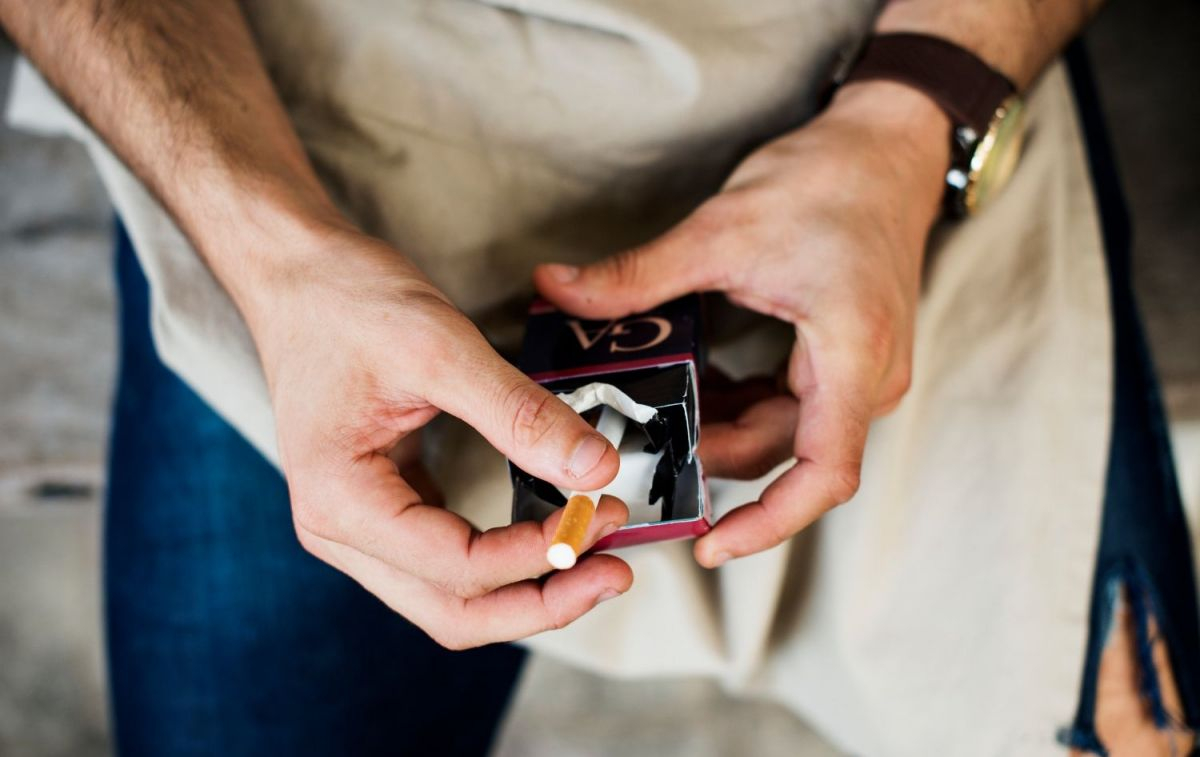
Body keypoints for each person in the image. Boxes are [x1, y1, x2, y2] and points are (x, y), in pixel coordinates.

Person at [2, 0, 1196, 754]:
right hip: (297, 176)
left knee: (1111, 718)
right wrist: (269, 247)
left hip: (881, 124)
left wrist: (922, 98)